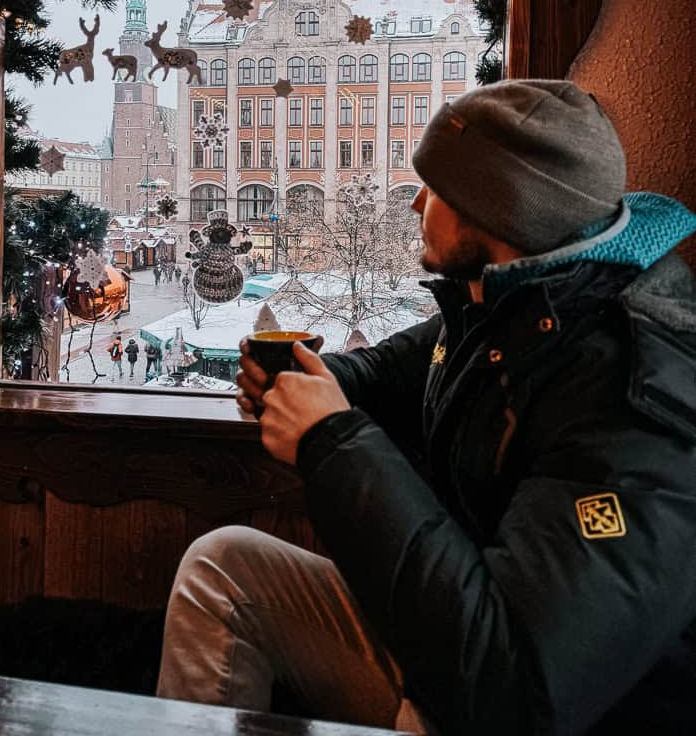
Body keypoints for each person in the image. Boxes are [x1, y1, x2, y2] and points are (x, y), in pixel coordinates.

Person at [157, 80, 696, 735]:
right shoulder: (513, 302)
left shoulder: (639, 397)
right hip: (444, 648)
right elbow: (392, 368)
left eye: (436, 188)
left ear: (496, 212)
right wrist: (309, 381)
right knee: (224, 568)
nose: (415, 202)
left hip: (507, 702)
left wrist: (330, 437)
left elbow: (515, 692)